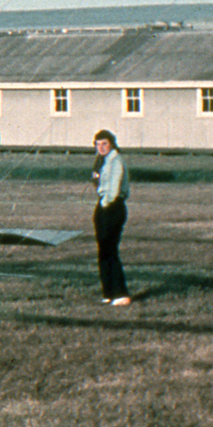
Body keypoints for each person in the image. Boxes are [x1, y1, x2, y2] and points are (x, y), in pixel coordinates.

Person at [92, 129, 131, 306]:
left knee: (110, 250)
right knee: (103, 250)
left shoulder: (116, 161)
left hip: (112, 207)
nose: (101, 147)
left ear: (112, 144)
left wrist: (106, 205)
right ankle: (108, 291)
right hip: (103, 205)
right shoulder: (102, 161)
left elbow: (114, 188)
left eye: (104, 143)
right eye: (98, 144)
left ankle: (121, 293)